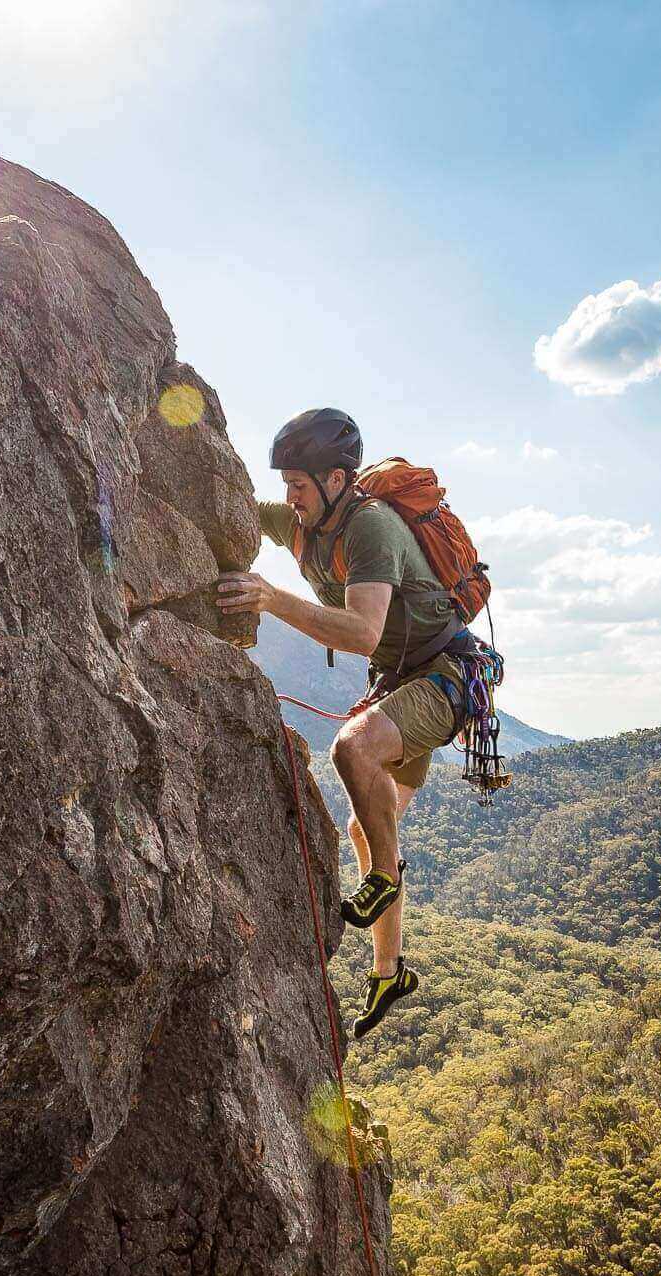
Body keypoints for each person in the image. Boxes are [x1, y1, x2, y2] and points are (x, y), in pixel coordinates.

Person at [217, 407, 468, 1038]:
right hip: (402, 680)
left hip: (446, 675)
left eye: (298, 485)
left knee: (352, 751)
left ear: (336, 478)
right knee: (367, 822)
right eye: (286, 486)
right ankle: (390, 973)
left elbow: (362, 633)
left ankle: (383, 879)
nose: (289, 498)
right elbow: (229, 505)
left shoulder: (371, 528)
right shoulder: (305, 524)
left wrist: (272, 599)